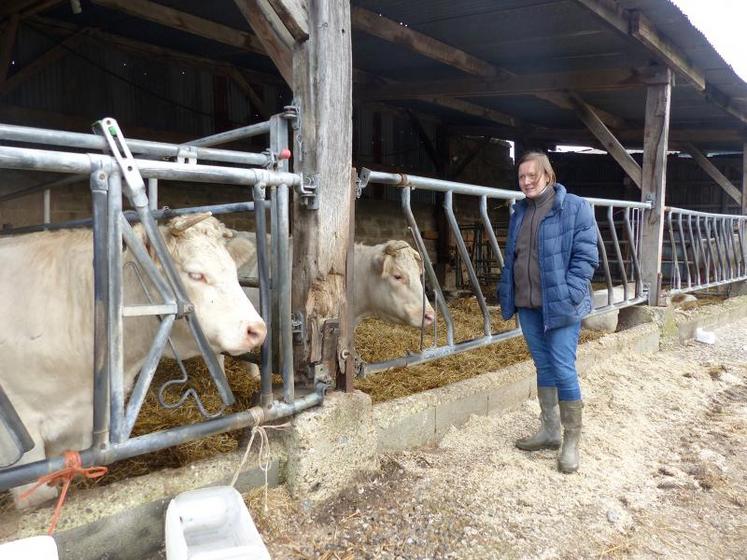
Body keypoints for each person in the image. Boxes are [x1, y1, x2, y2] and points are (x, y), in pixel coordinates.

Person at [498, 151, 598, 473]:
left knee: (563, 367)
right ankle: (550, 431)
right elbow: (516, 255)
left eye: (532, 176)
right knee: (543, 365)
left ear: (548, 176)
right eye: (521, 177)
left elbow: (586, 257)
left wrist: (570, 294)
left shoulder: (574, 208)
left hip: (562, 305)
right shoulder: (520, 211)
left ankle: (571, 441)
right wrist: (509, 291)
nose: (526, 182)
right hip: (528, 304)